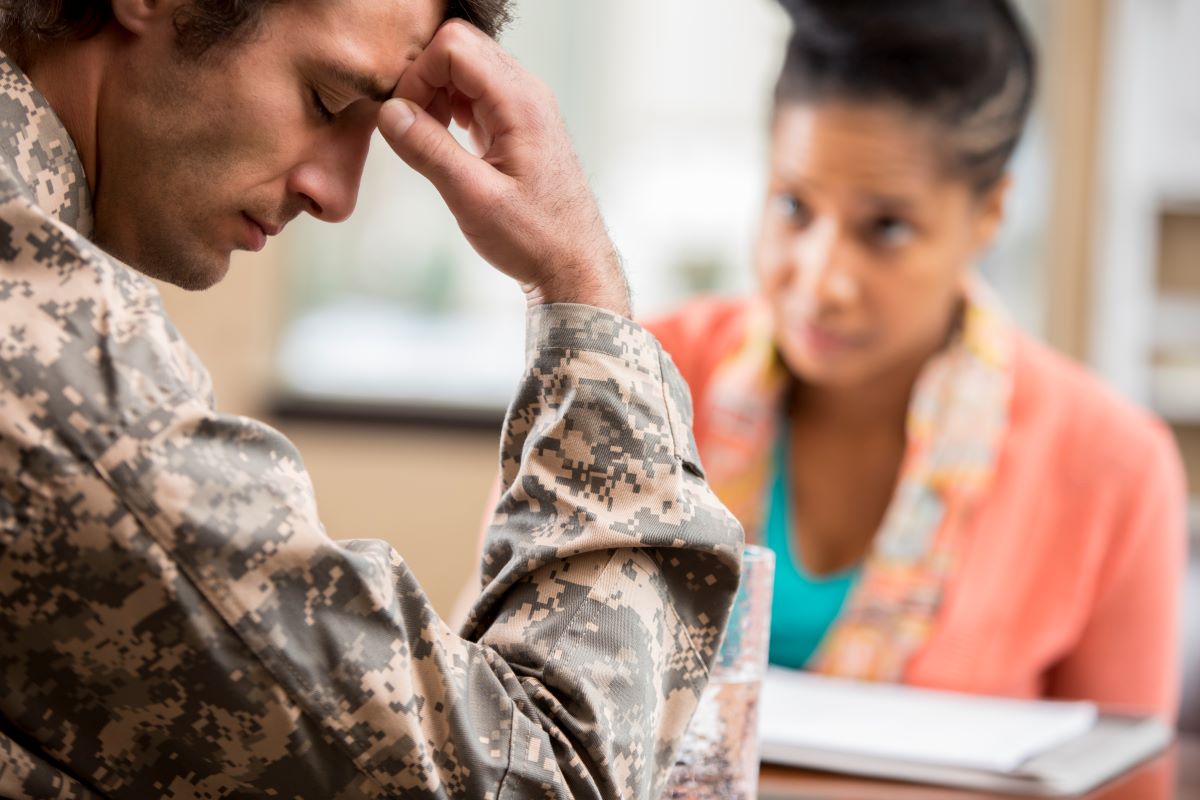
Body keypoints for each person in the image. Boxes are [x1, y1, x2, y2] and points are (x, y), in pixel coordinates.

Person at [0, 1, 742, 798]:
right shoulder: (36, 344)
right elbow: (543, 774)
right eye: (324, 99)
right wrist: (579, 284)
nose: (338, 197)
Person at [465, 0, 1187, 721]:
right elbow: (492, 710)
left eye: (887, 228)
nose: (821, 281)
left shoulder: (1115, 472)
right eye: (793, 207)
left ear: (991, 213)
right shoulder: (627, 379)